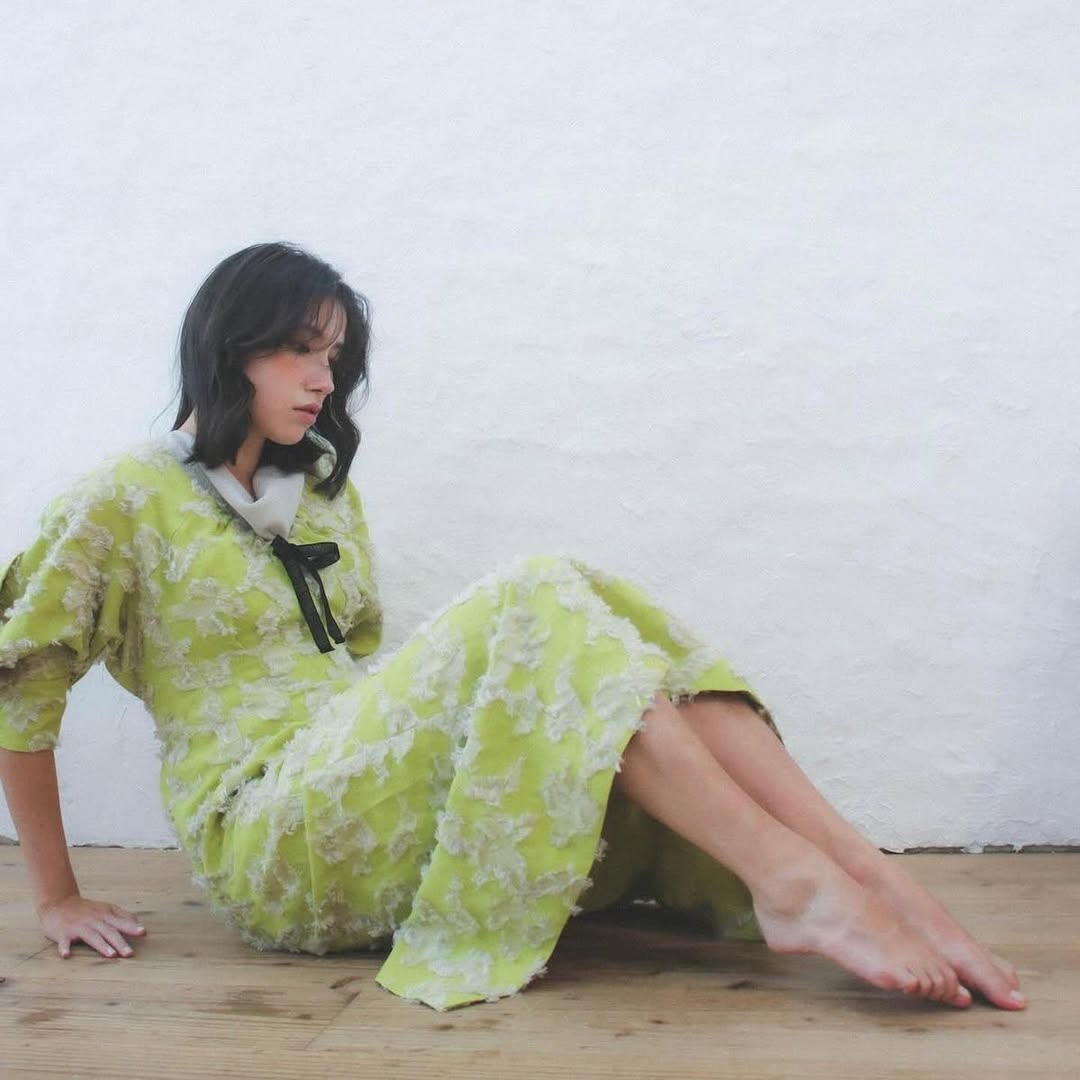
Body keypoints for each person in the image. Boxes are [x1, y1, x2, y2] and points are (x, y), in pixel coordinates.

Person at [0, 242, 1025, 1012]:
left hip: (347, 782)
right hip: (268, 834)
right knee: (539, 588)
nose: (323, 380)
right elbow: (20, 685)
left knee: (603, 611)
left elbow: (361, 667)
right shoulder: (124, 497)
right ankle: (795, 882)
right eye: (300, 351)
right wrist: (56, 898)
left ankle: (863, 872)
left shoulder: (322, 497)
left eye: (335, 357)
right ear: (230, 347)